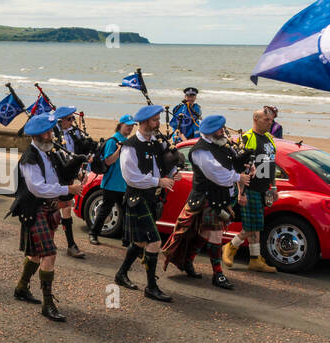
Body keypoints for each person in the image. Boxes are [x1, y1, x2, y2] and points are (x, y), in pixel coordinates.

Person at [8, 112, 81, 322]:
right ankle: (48, 305)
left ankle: (21, 288)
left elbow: (58, 176)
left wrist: (76, 166)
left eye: (51, 131)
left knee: (36, 255)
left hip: (49, 209)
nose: (52, 135)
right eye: (48, 132)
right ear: (38, 135)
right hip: (34, 210)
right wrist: (68, 188)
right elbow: (38, 188)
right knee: (49, 254)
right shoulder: (29, 159)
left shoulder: (48, 153)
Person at [164, 114, 247, 289]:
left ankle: (188, 261)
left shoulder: (221, 143)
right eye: (219, 129)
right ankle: (218, 274)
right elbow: (218, 175)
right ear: (210, 132)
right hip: (205, 198)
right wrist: (239, 177)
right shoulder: (201, 151)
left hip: (220, 198)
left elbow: (232, 164)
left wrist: (245, 165)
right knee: (215, 234)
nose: (223, 131)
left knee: (204, 234)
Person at [116, 104, 177, 301]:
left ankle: (121, 274)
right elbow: (131, 177)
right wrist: (158, 181)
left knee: (141, 241)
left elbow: (162, 166)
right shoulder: (130, 146)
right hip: (137, 198)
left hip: (152, 197)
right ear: (143, 123)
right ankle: (151, 287)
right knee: (154, 242)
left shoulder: (155, 142)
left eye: (158, 120)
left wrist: (173, 172)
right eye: (155, 120)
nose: (158, 123)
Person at [222, 108, 279, 273]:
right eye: (266, 120)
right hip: (250, 187)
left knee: (255, 226)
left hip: (264, 188)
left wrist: (273, 187)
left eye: (271, 120)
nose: (270, 123)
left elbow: (271, 164)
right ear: (256, 118)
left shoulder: (269, 138)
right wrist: (241, 193)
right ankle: (230, 246)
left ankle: (255, 259)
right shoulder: (247, 139)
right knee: (253, 225)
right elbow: (241, 167)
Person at [53, 105, 93, 259]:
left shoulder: (72, 134)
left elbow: (75, 156)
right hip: (56, 176)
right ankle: (52, 239)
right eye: (69, 119)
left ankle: (70, 245)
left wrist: (80, 172)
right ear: (61, 120)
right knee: (55, 208)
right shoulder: (54, 134)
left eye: (73, 118)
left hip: (68, 174)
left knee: (66, 208)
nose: (72, 121)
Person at [89, 115, 134, 245]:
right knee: (105, 210)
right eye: (128, 126)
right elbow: (108, 161)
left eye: (131, 126)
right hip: (111, 183)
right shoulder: (113, 141)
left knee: (127, 212)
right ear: (120, 125)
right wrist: (120, 149)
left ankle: (127, 240)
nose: (130, 128)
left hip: (124, 184)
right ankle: (93, 234)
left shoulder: (126, 140)